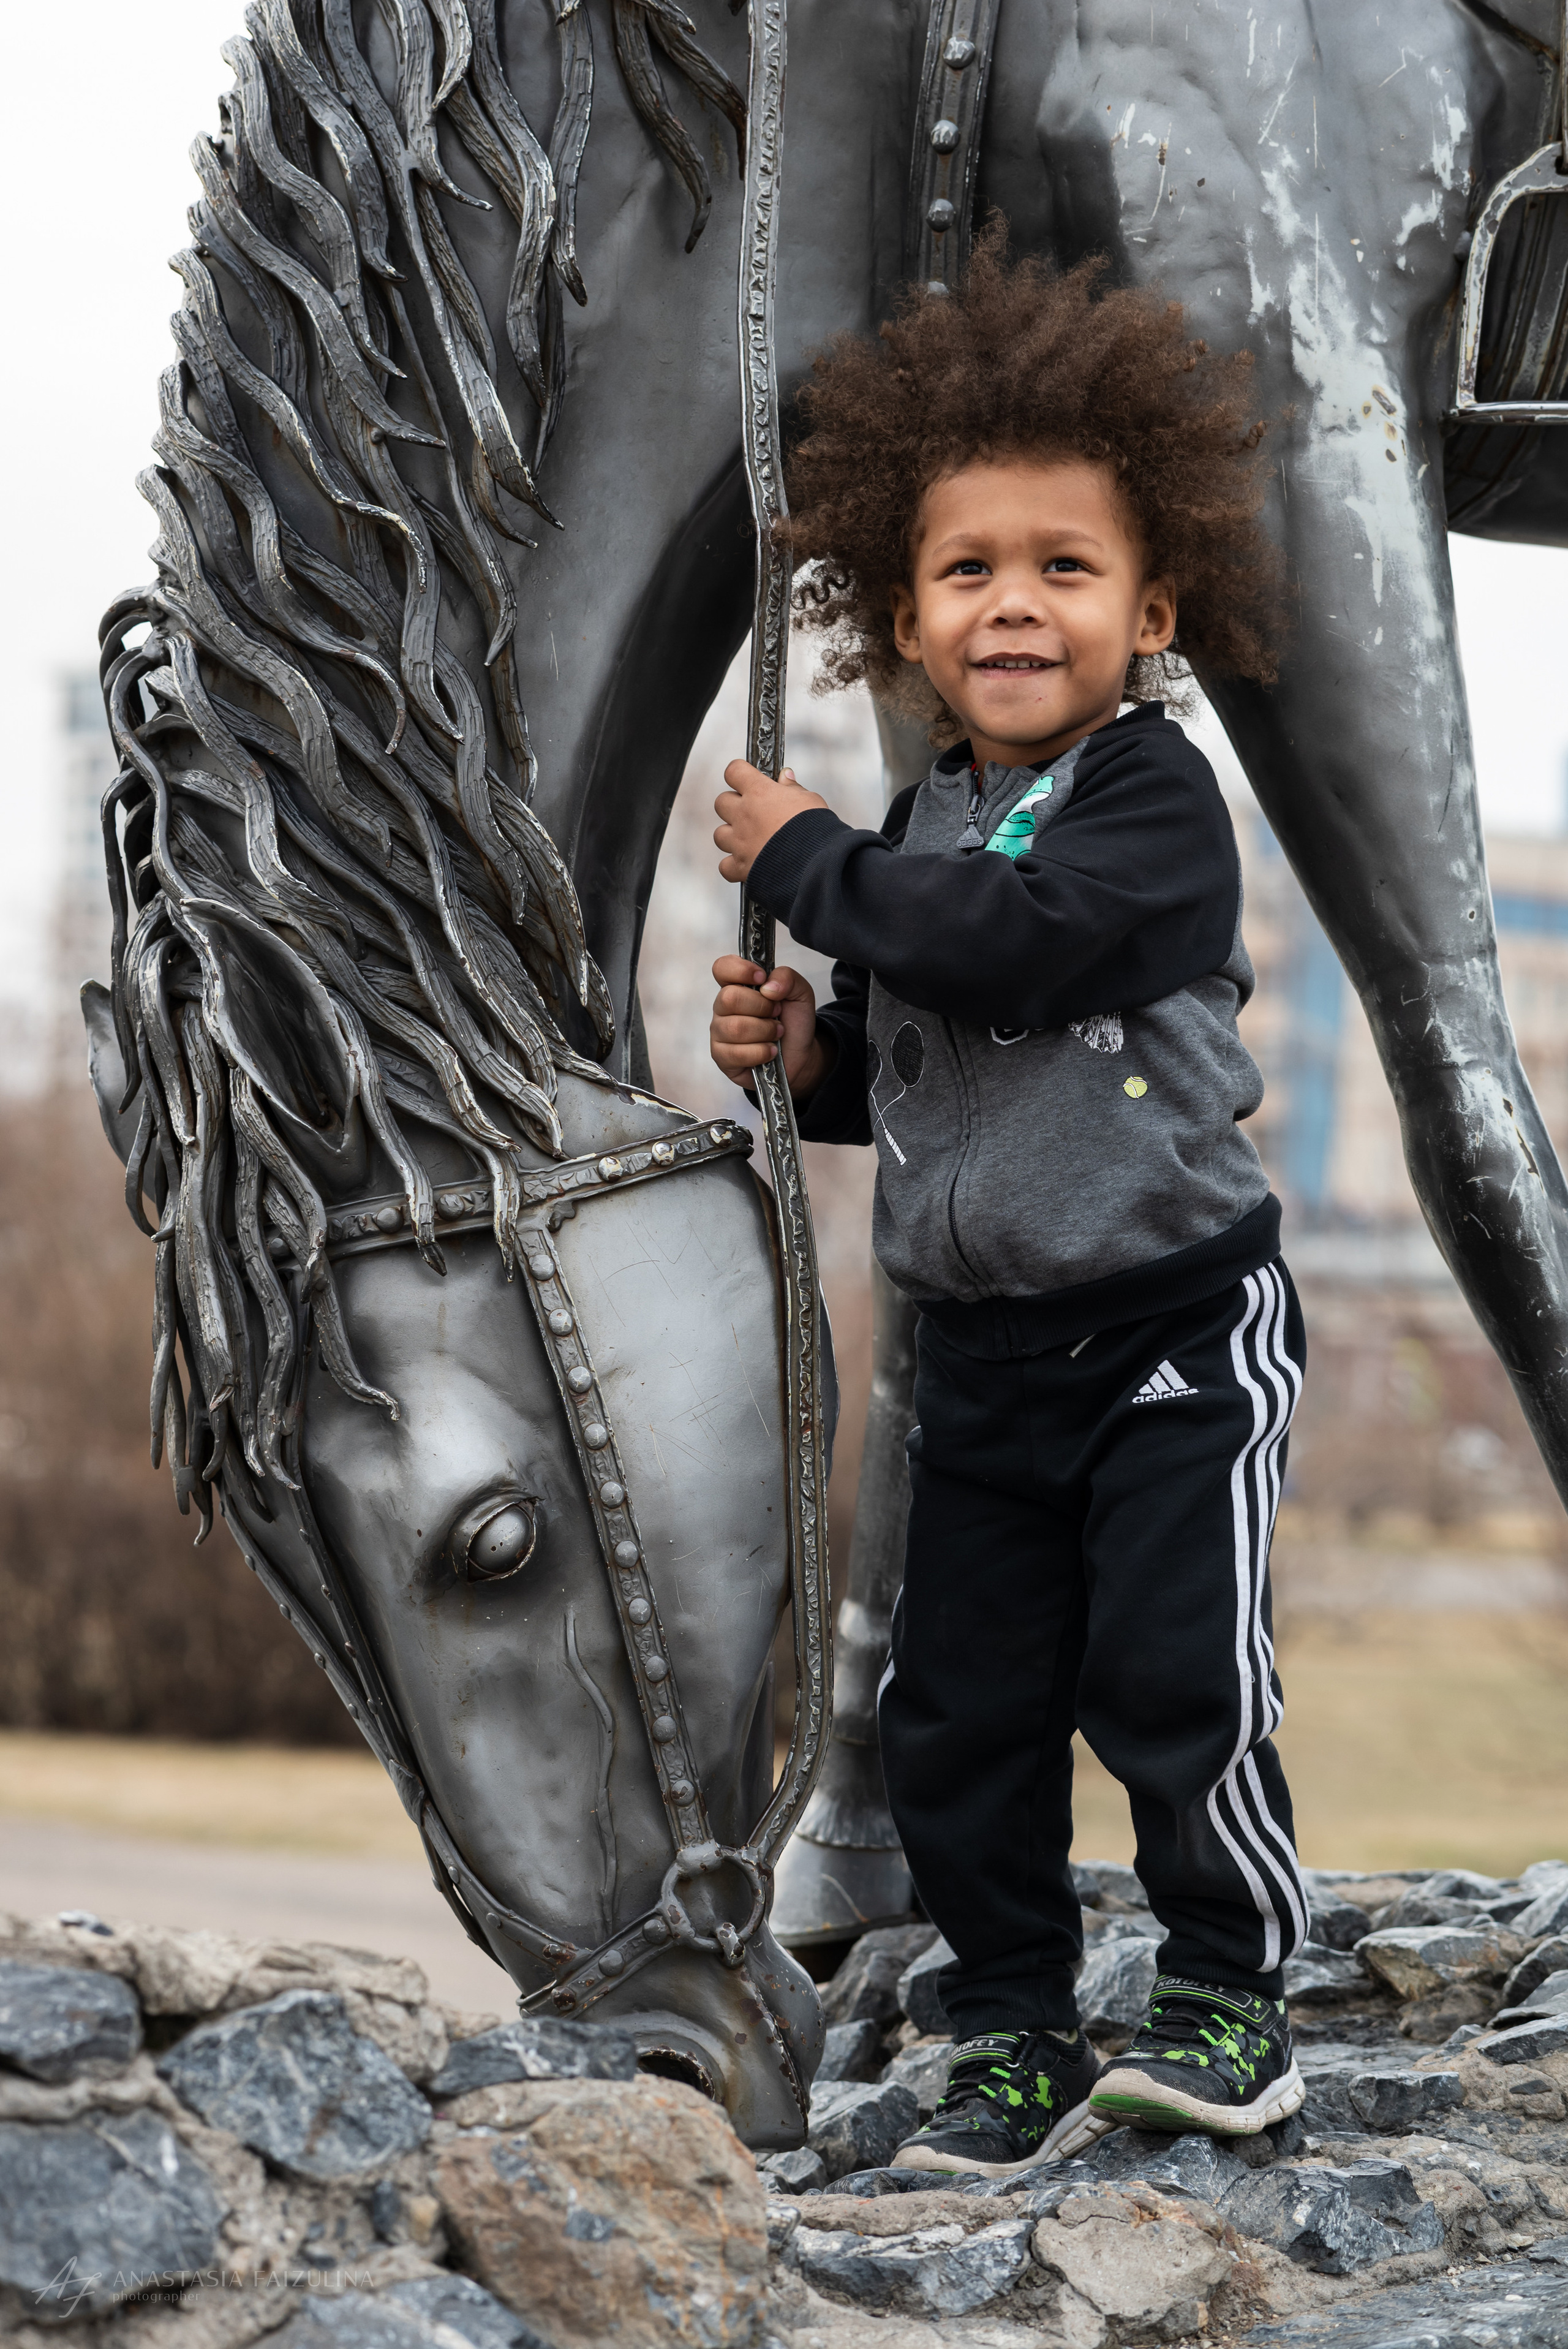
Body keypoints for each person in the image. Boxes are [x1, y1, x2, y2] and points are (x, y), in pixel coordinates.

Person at [707, 243, 1311, 2176]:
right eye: (970, 570)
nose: (1017, 602)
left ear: (1153, 610)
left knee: (1175, 1671)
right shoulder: (928, 824)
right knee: (956, 1710)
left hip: (1171, 1327)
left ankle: (1228, 1997)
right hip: (981, 1357)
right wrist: (808, 1051)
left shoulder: (1152, 803)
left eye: (1067, 566)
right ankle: (1016, 2026)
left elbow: (1021, 948)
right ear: (904, 615)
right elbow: (925, 1052)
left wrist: (809, 859)